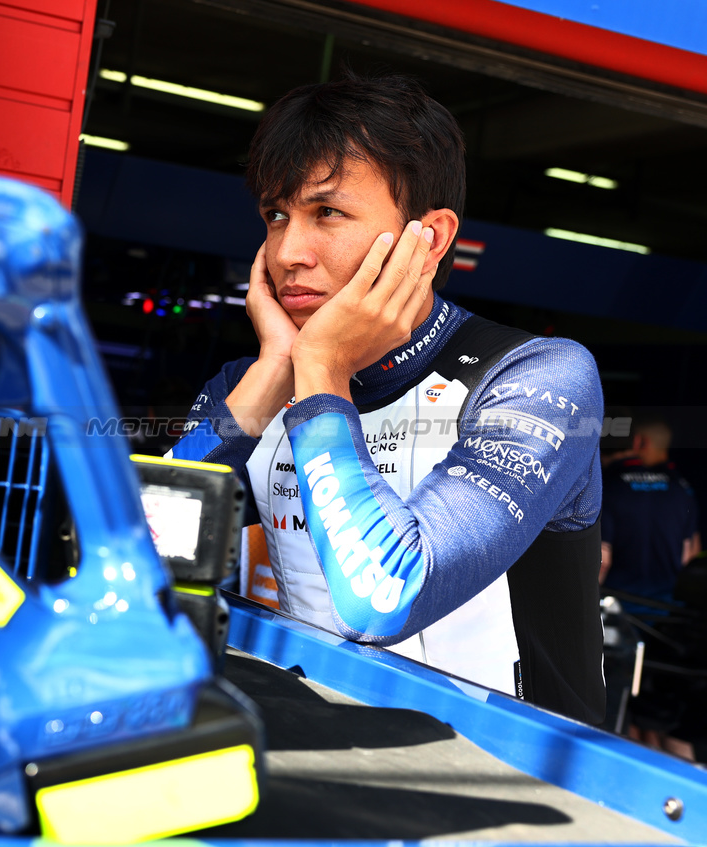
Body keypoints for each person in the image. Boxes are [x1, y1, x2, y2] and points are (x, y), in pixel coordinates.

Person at [171, 74, 606, 723]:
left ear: (427, 238)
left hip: (519, 799)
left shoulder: (539, 376)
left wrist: (320, 368)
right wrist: (275, 372)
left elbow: (385, 598)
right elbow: (141, 555)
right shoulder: (247, 385)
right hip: (318, 762)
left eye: (328, 213)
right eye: (276, 215)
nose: (289, 252)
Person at [600, 415, 699, 601]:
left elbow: (601, 560)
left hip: (617, 608)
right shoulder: (681, 489)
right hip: (667, 610)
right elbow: (689, 555)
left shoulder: (607, 488)